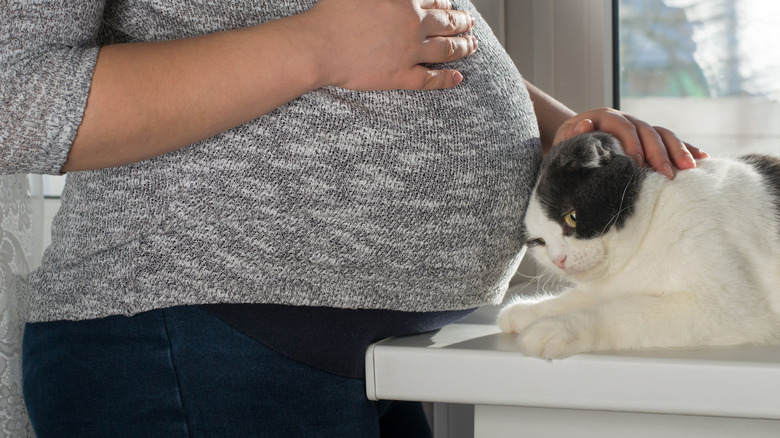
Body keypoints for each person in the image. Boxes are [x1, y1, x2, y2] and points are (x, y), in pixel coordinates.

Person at [1, 0, 706, 436]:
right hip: (193, 340)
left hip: (343, 352)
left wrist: (563, 137)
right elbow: (15, 102)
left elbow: (395, 34)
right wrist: (317, 47)